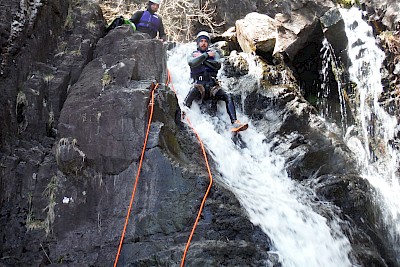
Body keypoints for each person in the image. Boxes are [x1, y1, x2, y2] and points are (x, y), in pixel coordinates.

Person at [183, 31, 247, 131]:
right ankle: (183, 114)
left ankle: (234, 122)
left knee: (228, 96)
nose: (203, 43)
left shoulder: (215, 54)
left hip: (212, 86)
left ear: (208, 43)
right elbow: (192, 63)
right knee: (192, 91)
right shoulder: (193, 54)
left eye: (205, 41)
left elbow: (217, 65)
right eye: (201, 41)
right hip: (199, 86)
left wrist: (201, 60)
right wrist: (206, 56)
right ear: (198, 43)